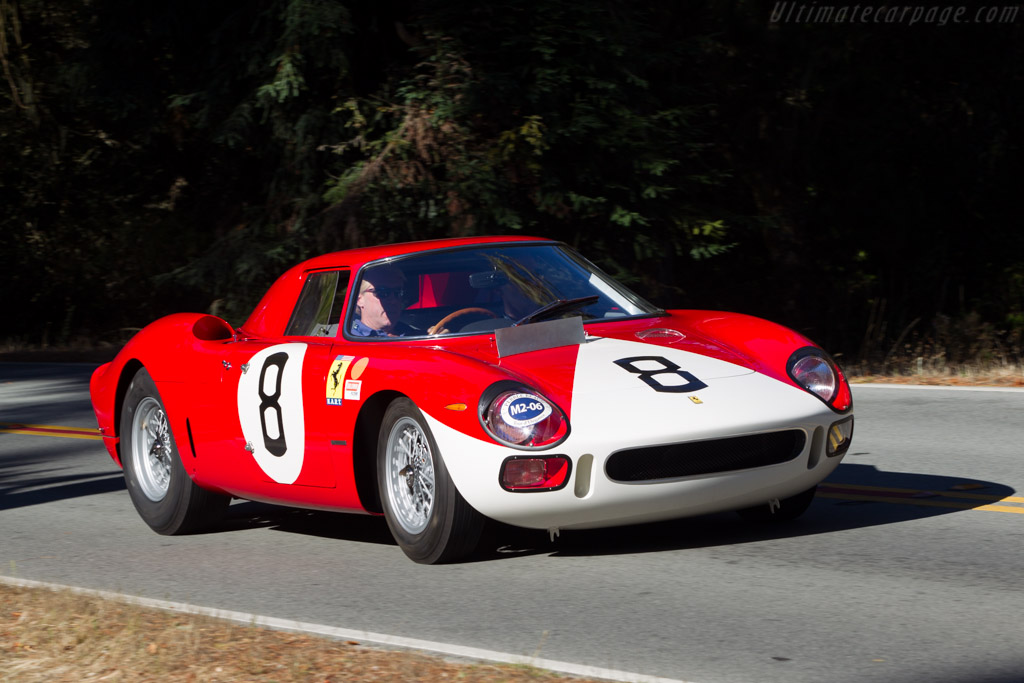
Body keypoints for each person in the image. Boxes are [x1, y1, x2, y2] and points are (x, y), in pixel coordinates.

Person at [350, 265, 413, 337]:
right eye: (382, 292)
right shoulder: (351, 341)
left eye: (398, 293)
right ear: (359, 300)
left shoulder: (414, 334)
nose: (393, 300)